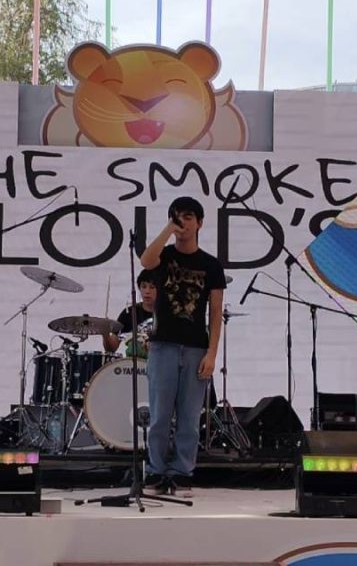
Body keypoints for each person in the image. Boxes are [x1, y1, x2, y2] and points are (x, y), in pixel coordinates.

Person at [140, 196, 226, 496]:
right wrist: (168, 228)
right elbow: (145, 261)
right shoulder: (163, 256)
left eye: (188, 217)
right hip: (163, 345)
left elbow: (216, 313)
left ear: (200, 222)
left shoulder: (211, 265)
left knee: (189, 417)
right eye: (177, 217)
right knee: (160, 414)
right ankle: (155, 471)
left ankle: (182, 472)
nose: (182, 222)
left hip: (195, 348)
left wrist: (212, 353)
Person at [102, 268, 157, 357]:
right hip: (133, 366)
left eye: (152, 287)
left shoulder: (167, 314)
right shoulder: (129, 313)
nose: (147, 291)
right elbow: (111, 348)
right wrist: (105, 333)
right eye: (144, 286)